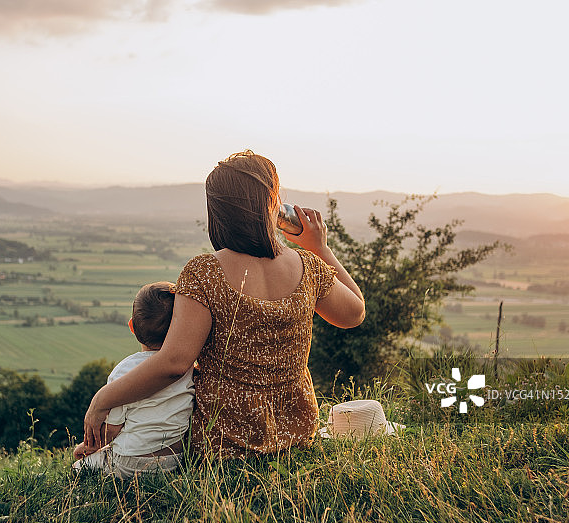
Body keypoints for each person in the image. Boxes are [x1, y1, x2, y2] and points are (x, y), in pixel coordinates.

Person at [80, 150, 365, 458]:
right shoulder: (308, 266)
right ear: (273, 204)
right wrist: (319, 247)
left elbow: (174, 364)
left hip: (224, 444)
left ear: (216, 211)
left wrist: (102, 400)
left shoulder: (204, 272)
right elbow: (354, 313)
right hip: (296, 436)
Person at [73, 281, 193, 478]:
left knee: (80, 468)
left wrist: (87, 447)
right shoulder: (188, 367)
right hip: (174, 458)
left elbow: (110, 432)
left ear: (132, 327)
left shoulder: (124, 372)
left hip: (130, 462)